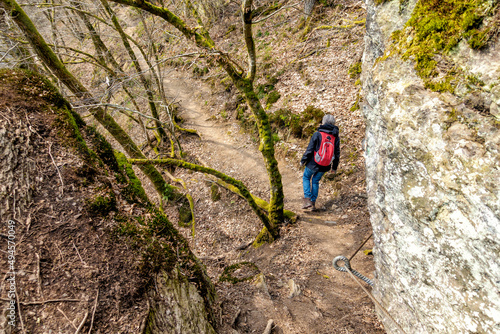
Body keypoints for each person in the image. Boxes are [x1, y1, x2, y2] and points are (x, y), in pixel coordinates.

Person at [300, 114, 340, 210]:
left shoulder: (317, 134)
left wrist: (303, 160)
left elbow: (310, 149)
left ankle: (307, 199)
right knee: (315, 181)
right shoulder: (335, 137)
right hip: (325, 165)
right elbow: (337, 153)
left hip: (313, 163)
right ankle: (313, 203)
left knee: (306, 177)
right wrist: (334, 168)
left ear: (323, 122)